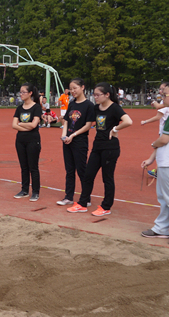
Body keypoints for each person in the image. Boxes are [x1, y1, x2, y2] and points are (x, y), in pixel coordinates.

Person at [67, 83, 133, 216]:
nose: (95, 97)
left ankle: (106, 206)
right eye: (94, 95)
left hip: (110, 148)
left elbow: (128, 121)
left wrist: (115, 129)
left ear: (107, 95)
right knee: (88, 175)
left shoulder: (114, 108)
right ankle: (82, 203)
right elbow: (87, 121)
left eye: (98, 95)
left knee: (107, 178)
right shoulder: (96, 108)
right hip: (97, 146)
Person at [140, 81, 169, 246]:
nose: (162, 97)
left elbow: (163, 139)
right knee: (164, 198)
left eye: (165, 95)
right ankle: (161, 228)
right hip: (166, 161)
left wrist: (153, 144)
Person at [57, 78, 95, 206]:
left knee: (81, 170)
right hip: (68, 140)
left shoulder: (89, 105)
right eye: (71, 89)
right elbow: (66, 120)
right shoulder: (72, 103)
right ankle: (68, 197)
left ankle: (86, 198)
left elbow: (88, 125)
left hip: (80, 141)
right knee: (69, 170)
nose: (72, 91)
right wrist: (64, 135)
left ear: (82, 87)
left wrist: (72, 135)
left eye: (75, 88)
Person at [12, 83, 42, 201]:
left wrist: (21, 124)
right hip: (20, 140)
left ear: (30, 93)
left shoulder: (36, 107)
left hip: (33, 141)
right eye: (20, 92)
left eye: (24, 92)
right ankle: (24, 189)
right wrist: (26, 126)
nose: (21, 94)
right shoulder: (19, 108)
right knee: (24, 167)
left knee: (33, 166)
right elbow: (14, 125)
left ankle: (35, 191)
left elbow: (34, 125)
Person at [141, 82, 169, 178]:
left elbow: (158, 114)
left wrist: (145, 121)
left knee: (162, 149)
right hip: (166, 128)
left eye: (163, 89)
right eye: (160, 89)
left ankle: (158, 171)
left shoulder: (167, 104)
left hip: (166, 129)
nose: (161, 91)